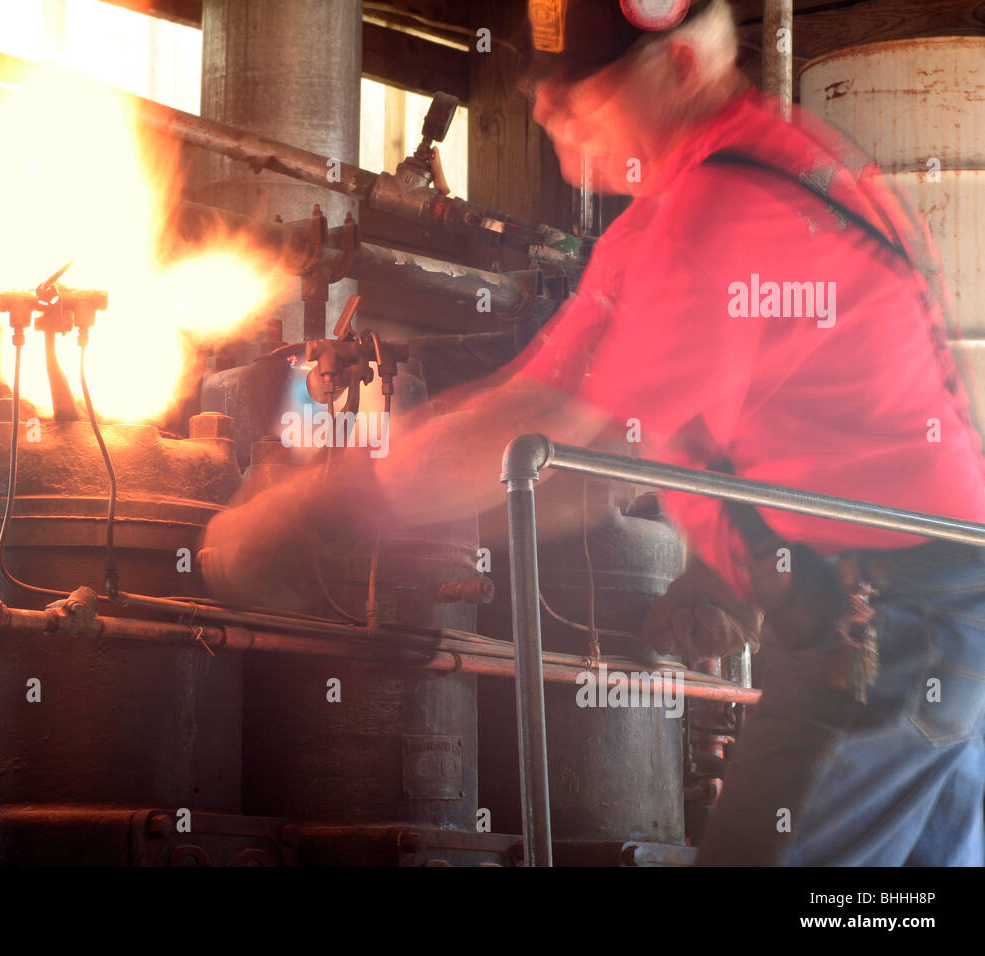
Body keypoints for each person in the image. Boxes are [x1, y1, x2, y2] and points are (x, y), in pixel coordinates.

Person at [202, 0, 985, 865]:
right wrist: (729, 564)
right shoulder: (711, 193)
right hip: (932, 603)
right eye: (541, 88)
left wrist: (315, 505)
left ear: (681, 71)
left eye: (578, 93)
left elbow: (538, 429)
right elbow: (588, 444)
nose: (544, 108)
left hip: (889, 622)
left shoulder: (720, 208)